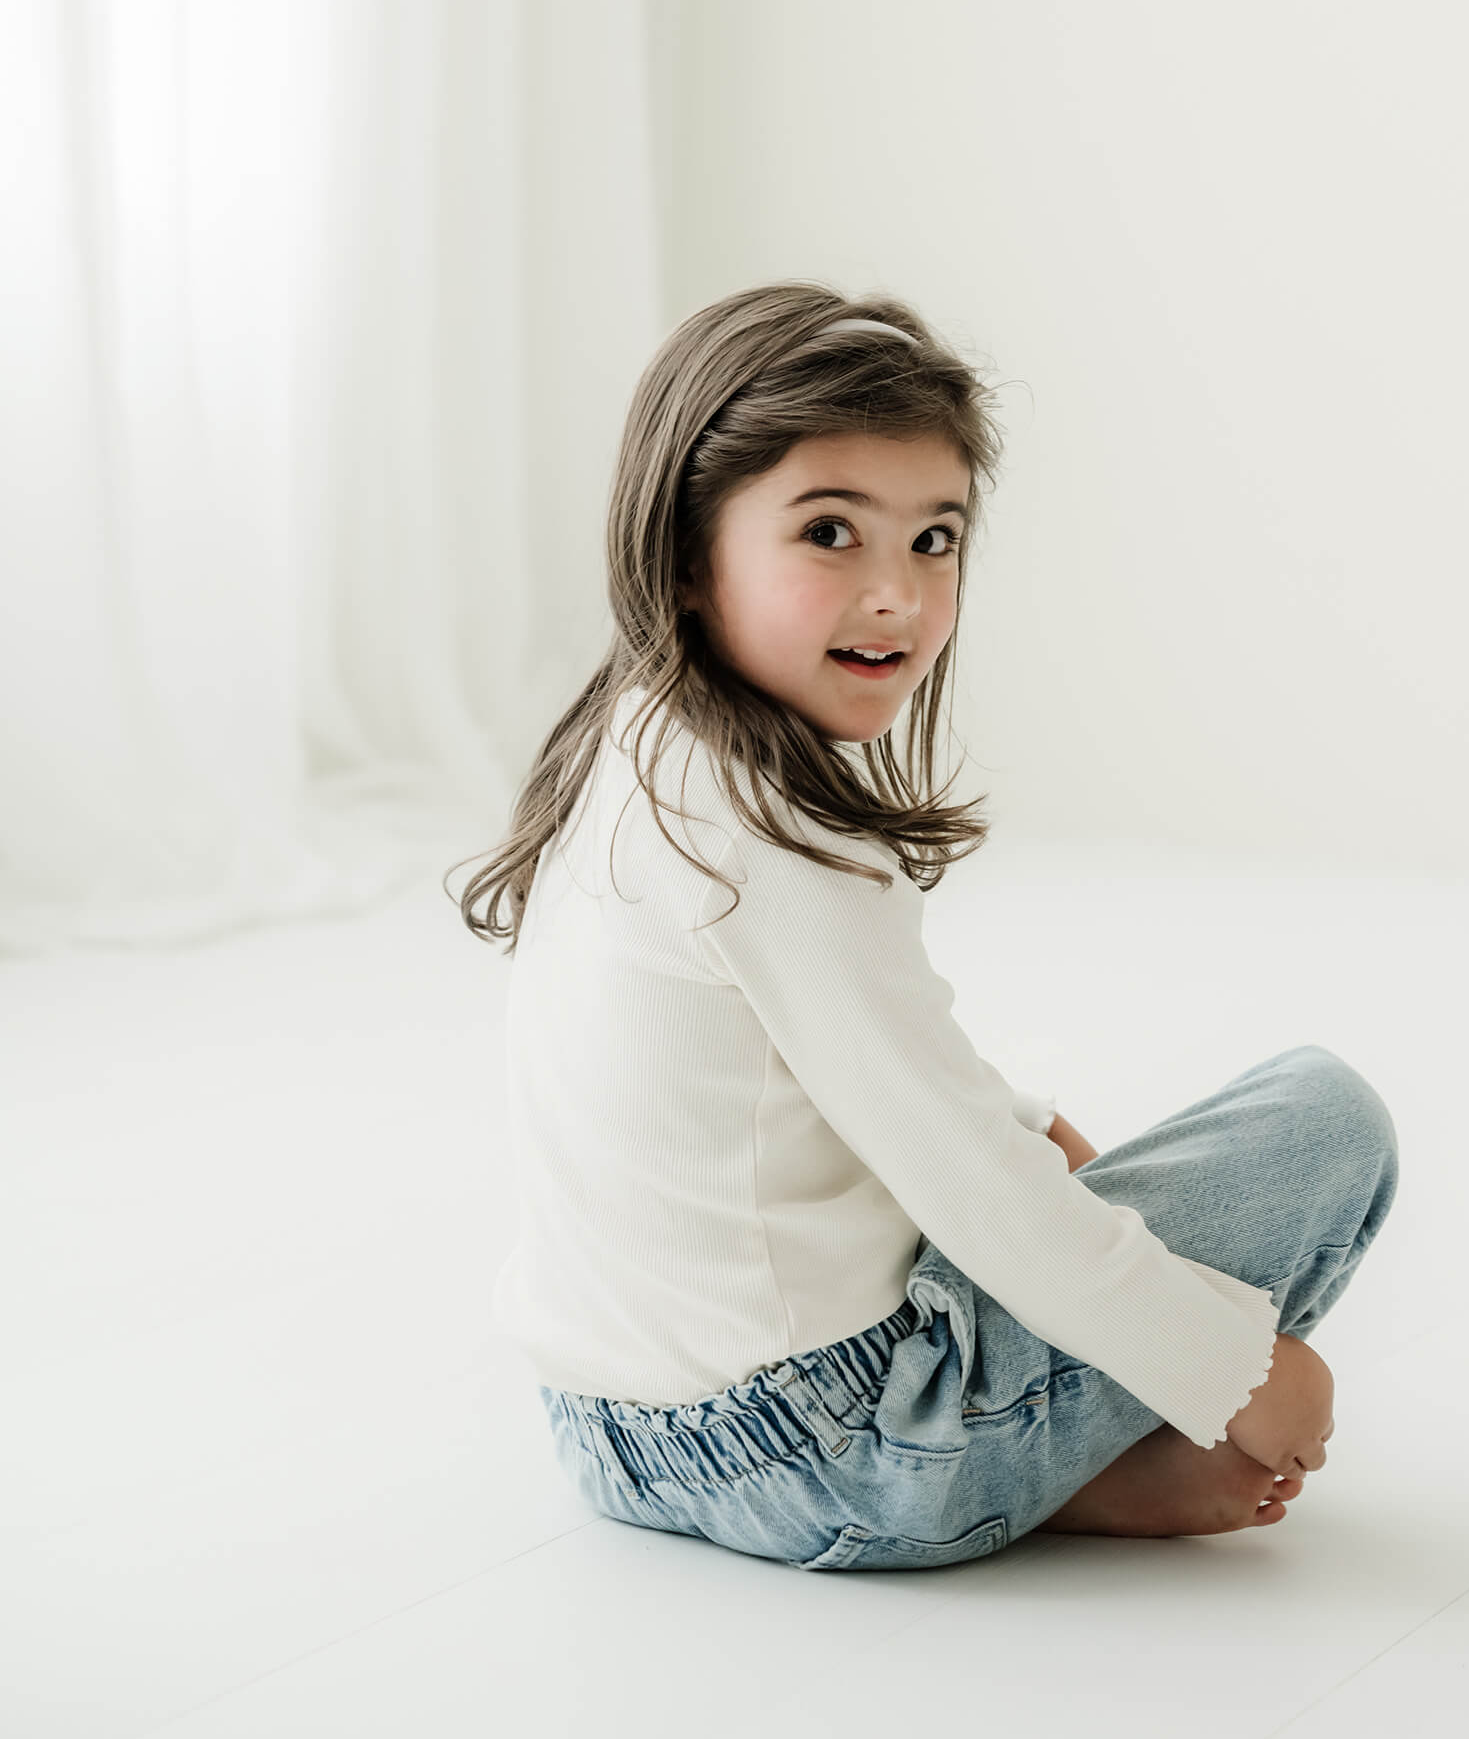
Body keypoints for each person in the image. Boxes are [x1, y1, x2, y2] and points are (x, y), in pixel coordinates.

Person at [449, 284, 1399, 1570]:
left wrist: (1031, 1138)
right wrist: (1235, 1373)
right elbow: (972, 1187)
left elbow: (873, 1088)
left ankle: (1054, 1468)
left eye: (936, 539)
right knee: (1324, 1118)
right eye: (831, 532)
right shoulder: (772, 840)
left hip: (607, 1428)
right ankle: (1030, 1472)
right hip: (824, 1448)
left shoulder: (637, 748)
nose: (897, 595)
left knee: (1032, 1177)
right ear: (685, 550)